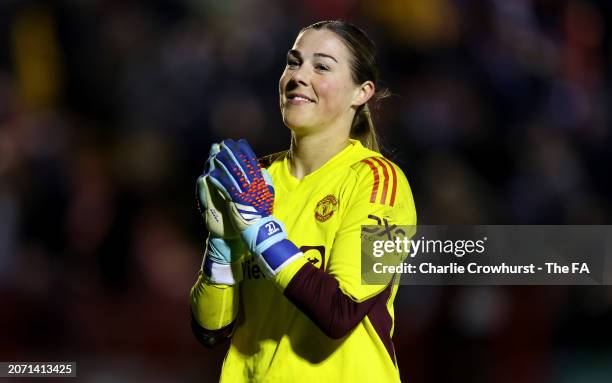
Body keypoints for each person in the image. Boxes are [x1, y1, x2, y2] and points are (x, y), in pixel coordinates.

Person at [190, 20, 416, 382]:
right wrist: (222, 247)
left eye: (322, 66)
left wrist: (260, 230)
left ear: (362, 92)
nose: (298, 76)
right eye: (293, 62)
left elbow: (340, 312)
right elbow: (211, 331)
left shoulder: (380, 184)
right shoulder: (255, 180)